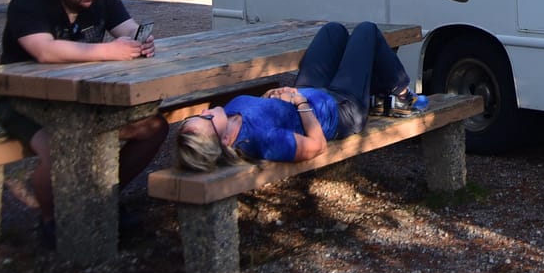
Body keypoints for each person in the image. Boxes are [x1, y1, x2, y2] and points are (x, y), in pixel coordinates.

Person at [0, 0, 167, 250]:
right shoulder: (29, 2)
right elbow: (44, 51)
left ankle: (101, 198)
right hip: (24, 103)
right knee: (66, 147)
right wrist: (107, 51)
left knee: (154, 127)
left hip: (84, 102)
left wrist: (142, 42)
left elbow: (128, 29)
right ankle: (53, 221)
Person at [173, 21, 414, 172]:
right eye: (205, 120)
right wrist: (300, 103)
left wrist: (273, 94)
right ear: (224, 141)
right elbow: (316, 146)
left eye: (197, 114)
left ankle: (377, 94)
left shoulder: (228, 114)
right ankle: (400, 94)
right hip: (340, 111)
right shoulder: (261, 139)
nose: (205, 112)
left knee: (333, 31)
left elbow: (265, 107)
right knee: (366, 30)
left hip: (310, 94)